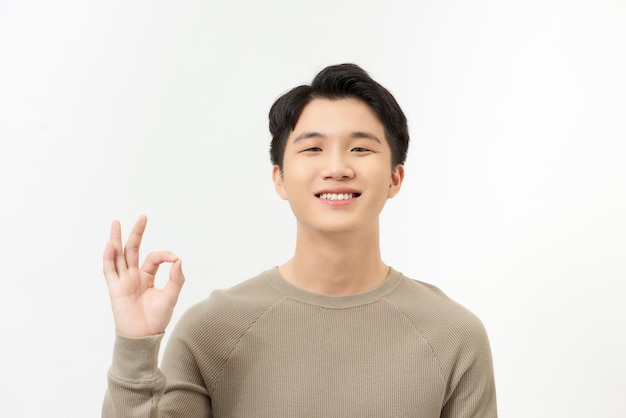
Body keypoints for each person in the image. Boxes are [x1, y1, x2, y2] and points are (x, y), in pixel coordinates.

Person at [102, 64, 497, 417]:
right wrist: (135, 348)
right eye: (313, 148)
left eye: (360, 148)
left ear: (395, 178)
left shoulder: (453, 335)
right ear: (280, 179)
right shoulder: (210, 331)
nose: (337, 167)